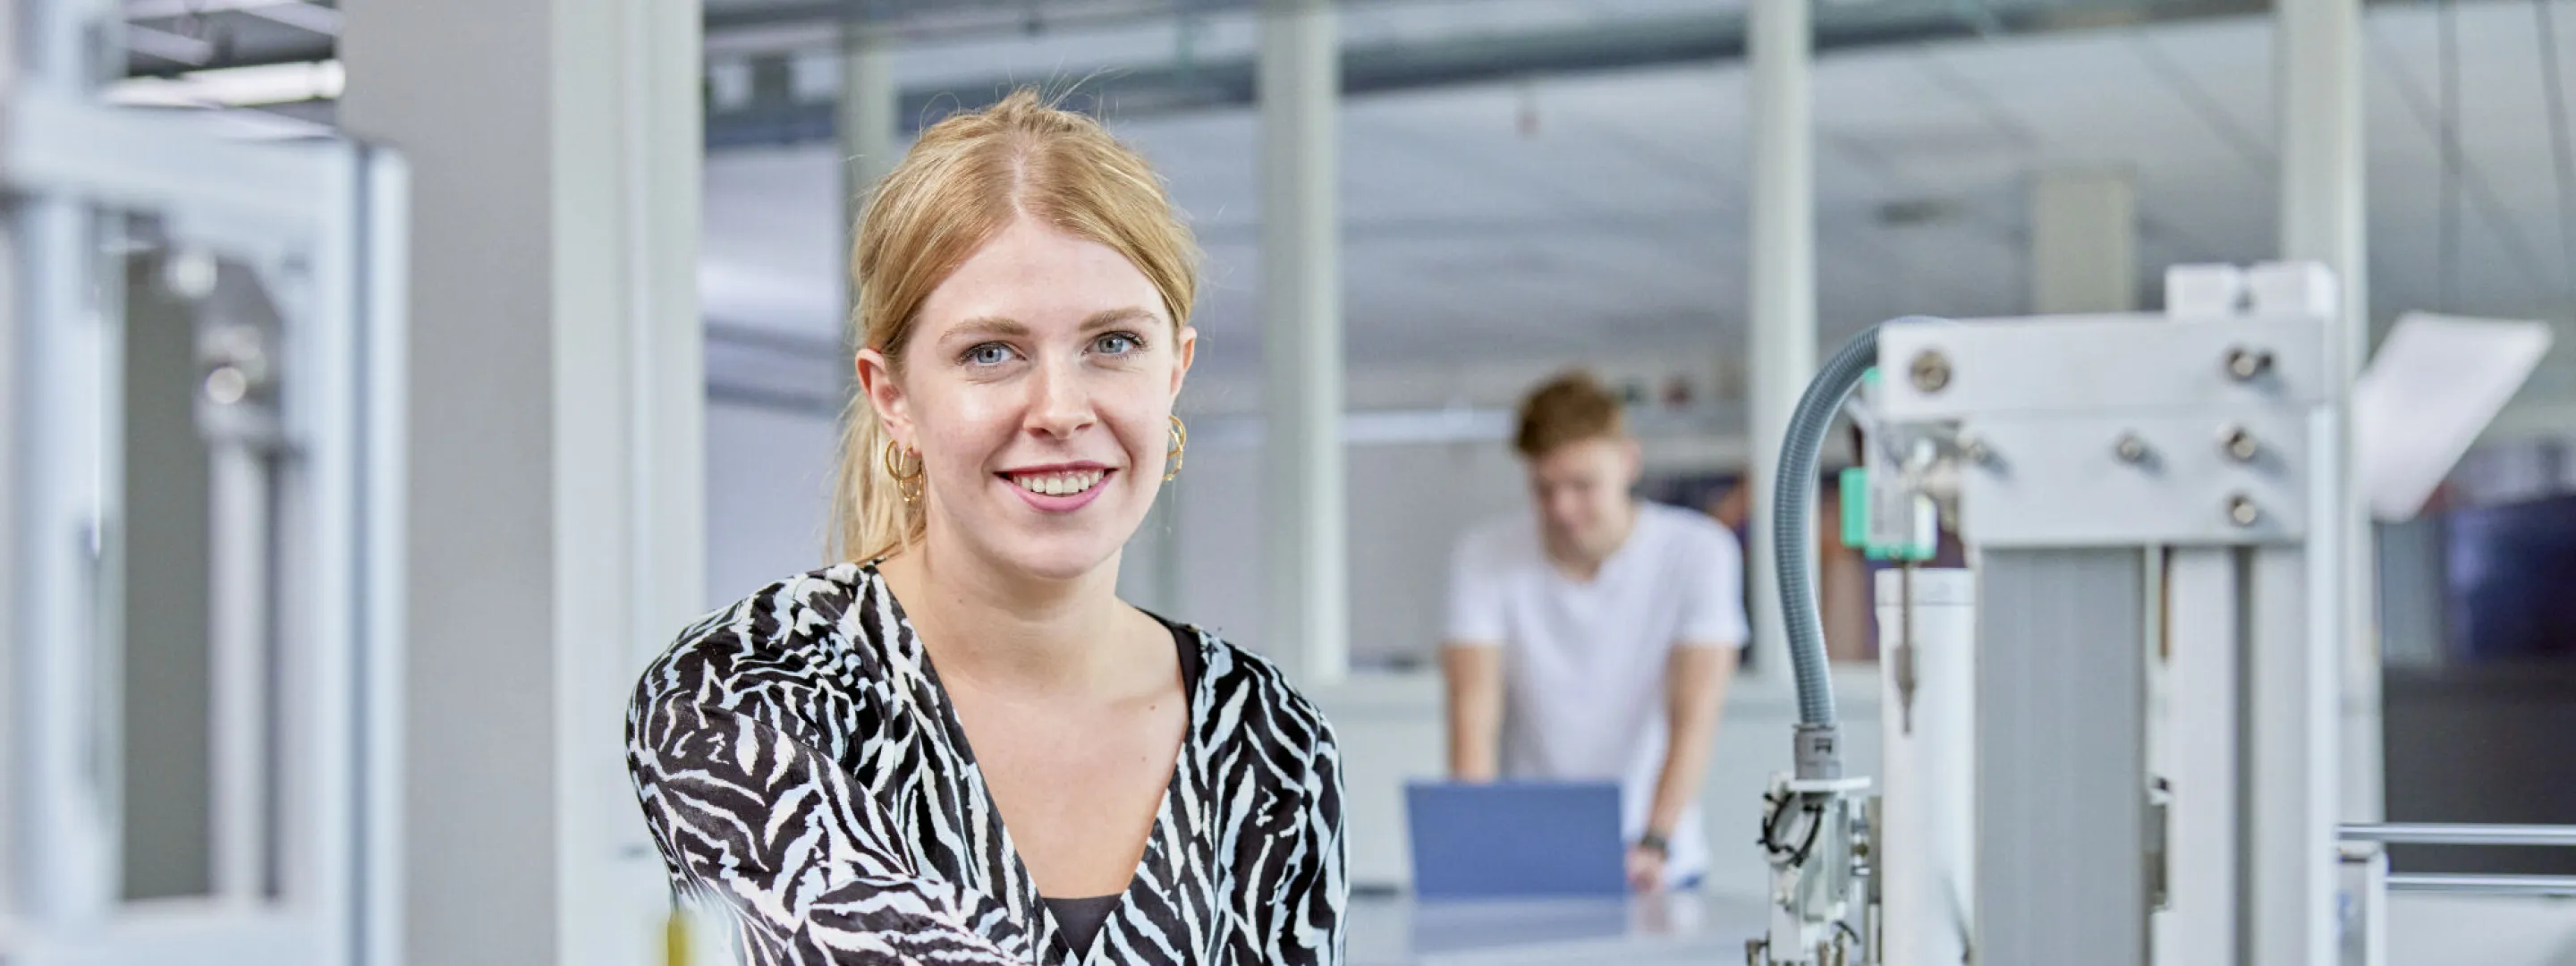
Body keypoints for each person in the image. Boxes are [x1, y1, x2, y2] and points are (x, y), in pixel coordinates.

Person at [624, 89, 1346, 965]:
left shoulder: (1268, 737)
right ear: (892, 397)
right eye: (989, 354)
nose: (1059, 409)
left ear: (1175, 372)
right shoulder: (744, 695)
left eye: (1113, 343)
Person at [1441, 371, 1747, 893]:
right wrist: (1479, 843)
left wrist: (1655, 839)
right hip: (1527, 854)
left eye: (1582, 485)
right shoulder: (1484, 556)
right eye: (1544, 489)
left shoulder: (1699, 553)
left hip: (1657, 856)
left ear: (1628, 461)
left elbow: (1693, 716)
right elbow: (1473, 712)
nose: (1562, 509)